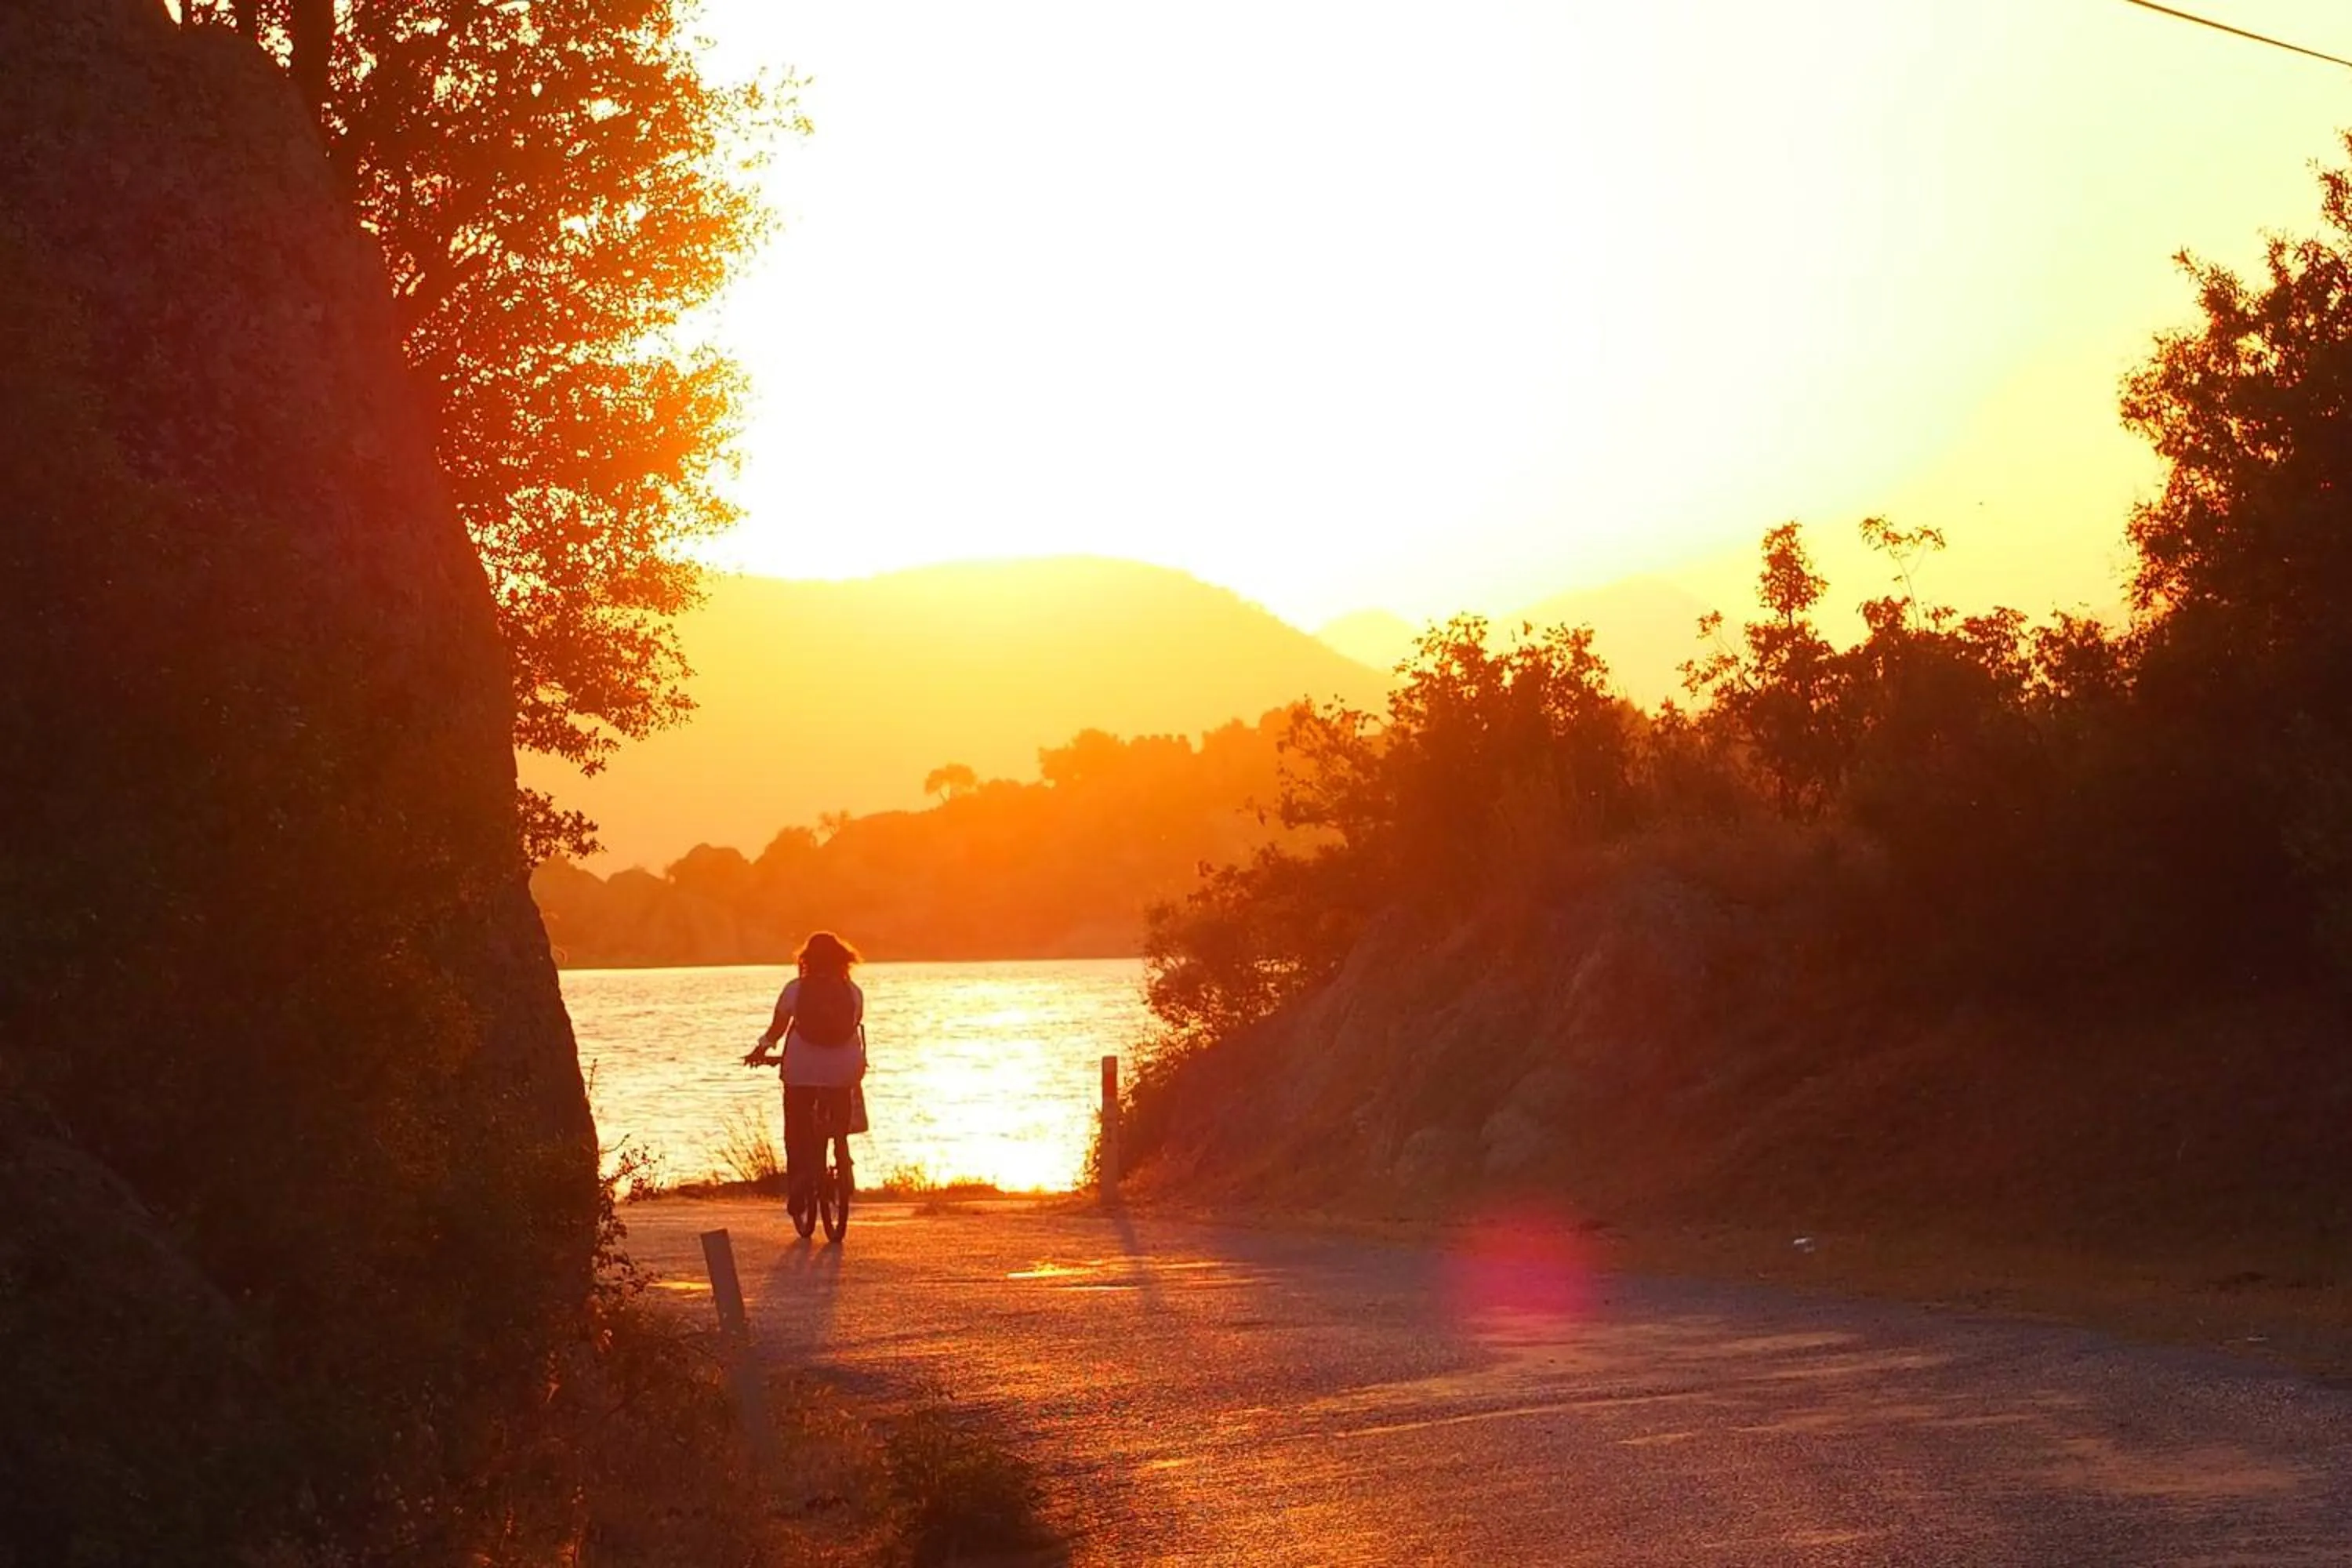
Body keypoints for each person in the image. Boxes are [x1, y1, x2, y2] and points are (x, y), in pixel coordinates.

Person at [742, 931, 866, 1224]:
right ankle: (843, 1158)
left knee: (797, 1127)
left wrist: (759, 1050)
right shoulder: (853, 992)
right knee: (840, 1115)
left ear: (806, 960)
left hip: (801, 1070)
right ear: (843, 961)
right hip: (844, 1069)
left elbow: (777, 1029)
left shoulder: (795, 990)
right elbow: (854, 1026)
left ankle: (799, 1181)